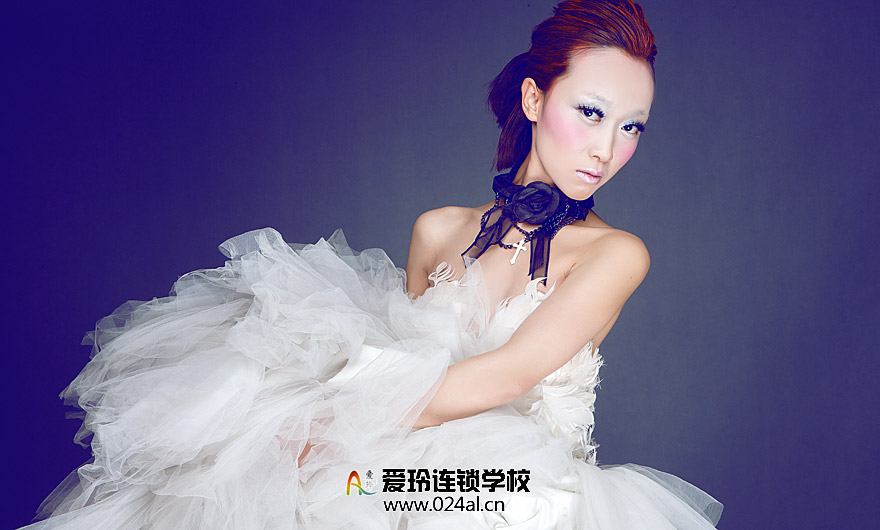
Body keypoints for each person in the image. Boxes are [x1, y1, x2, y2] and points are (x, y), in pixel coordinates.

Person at [21, 1, 723, 528]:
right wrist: (301, 430)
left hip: (511, 492)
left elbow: (509, 374)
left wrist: (332, 428)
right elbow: (401, 355)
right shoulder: (438, 231)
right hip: (396, 481)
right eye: (592, 112)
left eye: (632, 127)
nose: (607, 148)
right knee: (271, 476)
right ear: (535, 98)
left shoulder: (616, 254)